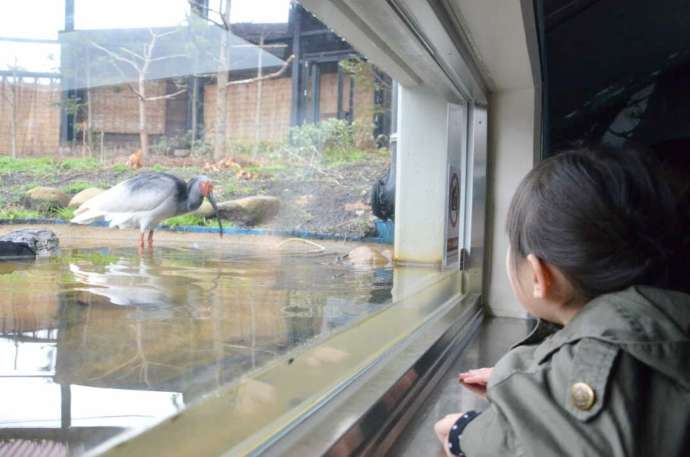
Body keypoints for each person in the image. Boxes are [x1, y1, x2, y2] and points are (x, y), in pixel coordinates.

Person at [434, 147, 690, 457]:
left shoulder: (577, 373)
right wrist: (532, 376)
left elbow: (544, 440)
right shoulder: (672, 315)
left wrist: (463, 435)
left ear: (540, 276)